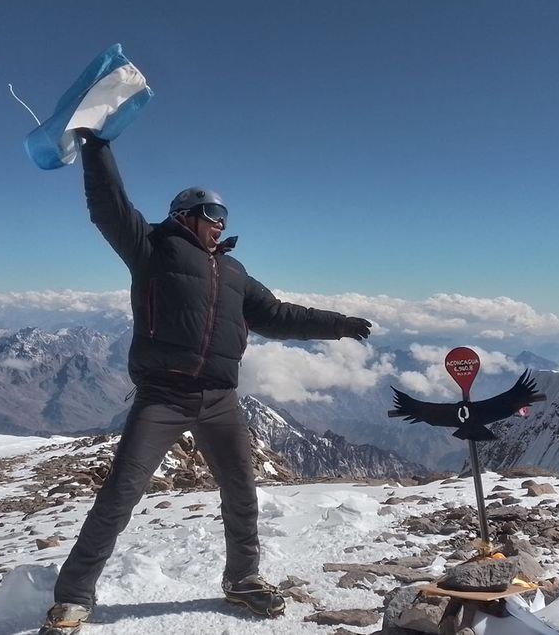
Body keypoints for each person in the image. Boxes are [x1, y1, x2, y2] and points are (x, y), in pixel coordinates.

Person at [38, 129, 373, 633]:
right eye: (213, 215)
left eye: (225, 218)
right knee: (120, 495)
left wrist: (337, 324)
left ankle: (243, 580)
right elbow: (109, 206)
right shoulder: (151, 248)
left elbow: (278, 315)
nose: (221, 225)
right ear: (185, 215)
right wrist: (96, 145)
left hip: (220, 400)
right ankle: (73, 599)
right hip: (162, 397)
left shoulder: (234, 272)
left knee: (241, 492)